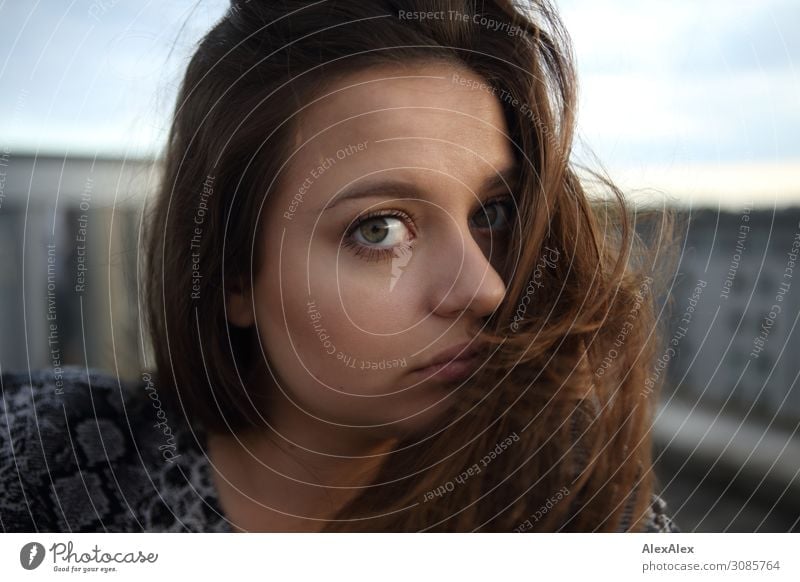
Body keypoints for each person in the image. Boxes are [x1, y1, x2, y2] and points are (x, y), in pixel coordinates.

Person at [0, 0, 678, 532]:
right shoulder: (42, 460)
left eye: (491, 213)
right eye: (379, 229)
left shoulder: (575, 512)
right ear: (234, 275)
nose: (484, 286)